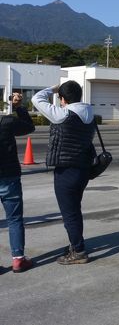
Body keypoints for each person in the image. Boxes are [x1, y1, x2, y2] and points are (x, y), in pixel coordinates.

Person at [32, 81, 95, 264]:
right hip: (83, 170)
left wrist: (52, 88)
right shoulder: (89, 113)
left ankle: (78, 251)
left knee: (69, 213)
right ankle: (76, 244)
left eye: (60, 97)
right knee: (75, 210)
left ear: (63, 98)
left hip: (66, 170)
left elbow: (37, 98)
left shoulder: (63, 114)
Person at [0, 92, 35, 272]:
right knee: (14, 219)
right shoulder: (6, 123)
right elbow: (30, 127)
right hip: (9, 176)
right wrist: (19, 106)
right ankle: (18, 259)